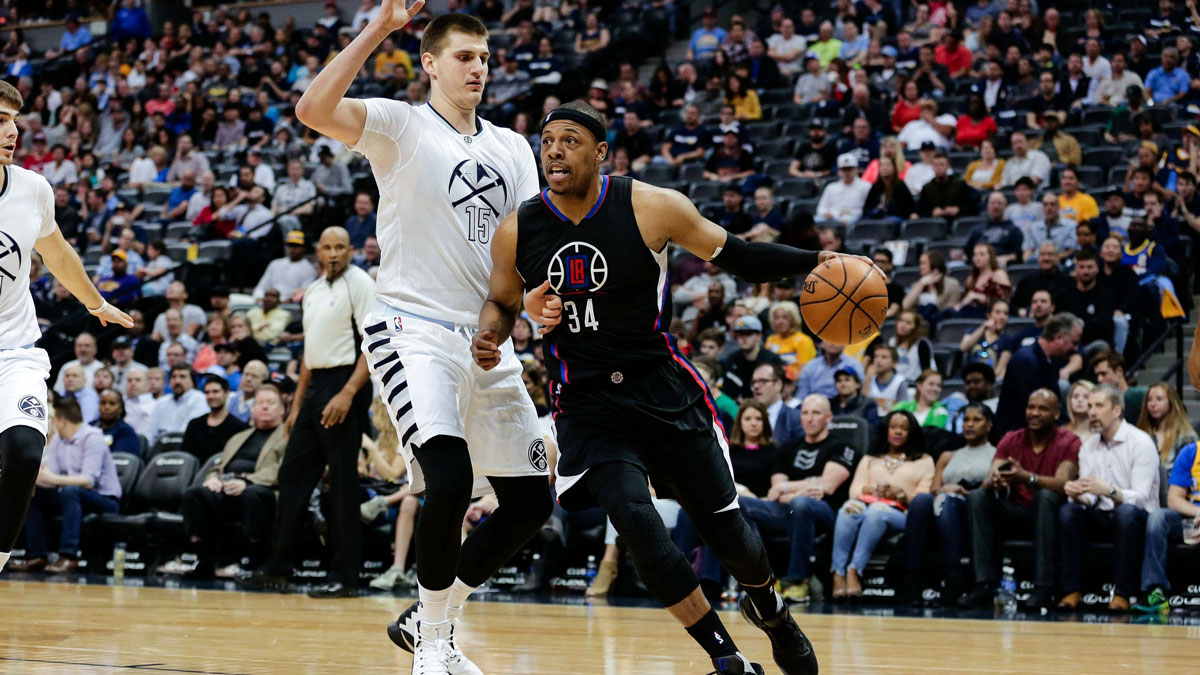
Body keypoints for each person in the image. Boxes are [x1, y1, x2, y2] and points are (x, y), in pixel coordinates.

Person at [477, 101, 857, 675]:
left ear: (601, 152)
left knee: (728, 532)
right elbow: (502, 303)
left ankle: (772, 610)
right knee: (639, 525)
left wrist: (815, 259)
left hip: (663, 389)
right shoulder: (518, 228)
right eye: (547, 140)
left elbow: (742, 255)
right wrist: (490, 334)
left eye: (570, 140)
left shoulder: (653, 205)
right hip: (587, 402)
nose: (554, 150)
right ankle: (726, 657)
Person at [290, 9, 556, 671]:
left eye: (485, 58)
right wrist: (381, 28)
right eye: (463, 56)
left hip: (483, 337)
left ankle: (430, 617)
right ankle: (434, 647)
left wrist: (531, 306)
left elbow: (523, 251)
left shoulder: (512, 148)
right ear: (430, 64)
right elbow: (312, 108)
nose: (478, 69)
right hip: (410, 328)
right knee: (450, 478)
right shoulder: (401, 125)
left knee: (530, 499)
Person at [244, 228, 375, 599]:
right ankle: (280, 567)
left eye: (340, 247)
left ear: (351, 250)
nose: (333, 253)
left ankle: (345, 576)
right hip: (315, 384)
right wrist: (296, 406)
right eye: (327, 247)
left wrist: (349, 392)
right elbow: (308, 352)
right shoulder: (314, 291)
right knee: (292, 475)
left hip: (345, 381)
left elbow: (375, 343)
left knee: (342, 484)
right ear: (318, 252)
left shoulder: (361, 284)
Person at [961, 389, 1079, 611]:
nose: (1034, 413)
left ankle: (1043, 587)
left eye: (1042, 408)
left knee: (1045, 496)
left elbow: (1064, 484)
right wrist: (996, 479)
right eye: (1031, 407)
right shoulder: (1011, 438)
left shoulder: (1069, 441)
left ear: (1056, 414)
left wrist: (1026, 477)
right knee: (978, 496)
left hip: (1050, 516)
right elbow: (990, 477)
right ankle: (984, 583)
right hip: (1016, 511)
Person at [740, 395, 859, 604]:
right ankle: (764, 578)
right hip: (790, 509)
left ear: (829, 417)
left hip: (828, 513)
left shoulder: (842, 446)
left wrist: (789, 489)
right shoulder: (788, 447)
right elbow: (776, 487)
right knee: (741, 504)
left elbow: (829, 485)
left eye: (815, 413)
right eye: (804, 413)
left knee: (801, 504)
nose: (809, 419)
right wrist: (805, 487)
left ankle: (797, 581)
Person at [1057, 385, 1159, 612]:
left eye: (1099, 406)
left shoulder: (1140, 442)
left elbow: (1141, 499)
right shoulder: (1088, 446)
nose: (1091, 412)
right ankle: (1071, 590)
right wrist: (1078, 494)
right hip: (1103, 513)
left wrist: (1109, 491)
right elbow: (1091, 497)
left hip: (1138, 518)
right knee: (1068, 511)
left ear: (1117, 410)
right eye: (1090, 406)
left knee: (1126, 512)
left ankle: (1123, 594)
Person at [180, 385, 287, 580]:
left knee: (252, 494)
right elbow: (218, 466)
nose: (264, 407)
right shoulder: (238, 437)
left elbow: (284, 469)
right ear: (253, 409)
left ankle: (253, 560)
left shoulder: (288, 437)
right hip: (227, 489)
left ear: (282, 409)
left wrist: (248, 481)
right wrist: (213, 479)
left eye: (270, 403)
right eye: (260, 403)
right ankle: (204, 560)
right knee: (195, 494)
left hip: (262, 491)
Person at [9, 398, 121, 574]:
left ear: (61, 420)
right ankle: (36, 555)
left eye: (52, 419)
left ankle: (69, 556)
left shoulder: (93, 438)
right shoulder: (59, 441)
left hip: (104, 499)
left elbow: (87, 481)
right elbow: (49, 476)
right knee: (33, 495)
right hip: (71, 495)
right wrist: (32, 478)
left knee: (71, 491)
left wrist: (51, 477)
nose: (50, 423)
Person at [831, 410, 934, 600]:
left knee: (877, 512)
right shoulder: (870, 459)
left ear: (911, 432)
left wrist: (902, 495)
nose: (898, 432)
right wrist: (871, 490)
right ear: (886, 430)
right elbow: (855, 491)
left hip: (900, 512)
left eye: (904, 428)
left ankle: (854, 570)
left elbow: (924, 498)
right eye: (893, 427)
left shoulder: (924, 460)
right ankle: (838, 573)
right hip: (867, 503)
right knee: (847, 509)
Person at [904, 403, 996, 605]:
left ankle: (953, 577)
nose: (969, 425)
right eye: (966, 420)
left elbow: (991, 491)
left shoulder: (996, 454)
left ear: (989, 425)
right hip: (942, 507)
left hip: (972, 511)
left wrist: (960, 492)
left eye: (976, 420)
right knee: (922, 500)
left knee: (947, 501)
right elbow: (934, 488)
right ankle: (911, 579)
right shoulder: (948, 455)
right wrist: (946, 489)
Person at [363, 399, 422, 592]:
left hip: (405, 493)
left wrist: (371, 449)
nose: (371, 418)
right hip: (382, 491)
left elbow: (392, 475)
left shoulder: (402, 440)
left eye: (375, 412)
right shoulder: (380, 440)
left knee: (409, 498)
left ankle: (397, 568)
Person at [1136, 437, 1200, 612]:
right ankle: (1155, 590)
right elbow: (1174, 499)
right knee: (1158, 517)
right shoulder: (1191, 453)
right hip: (1191, 519)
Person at [994, 313, 1083, 437]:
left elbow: (1054, 406)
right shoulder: (1026, 361)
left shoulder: (1050, 361)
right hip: (1016, 438)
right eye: (1074, 343)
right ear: (1058, 338)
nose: (1076, 348)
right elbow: (1039, 408)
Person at [181, 375, 248, 462]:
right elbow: (185, 456)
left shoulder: (238, 427)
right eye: (207, 392)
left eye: (215, 392)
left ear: (227, 393)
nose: (211, 396)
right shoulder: (194, 424)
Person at [721, 315, 785, 401]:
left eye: (748, 334)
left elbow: (783, 388)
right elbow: (727, 391)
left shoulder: (772, 360)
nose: (744, 338)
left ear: (759, 336)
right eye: (740, 335)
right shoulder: (731, 360)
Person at [1136, 382, 1198, 468]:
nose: (1153, 404)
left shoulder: (1186, 437)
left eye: (1159, 399)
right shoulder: (1140, 434)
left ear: (1171, 402)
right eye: (1149, 399)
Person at [254, 231, 319, 302]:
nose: (293, 249)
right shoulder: (275, 263)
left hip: (289, 306)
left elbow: (304, 294)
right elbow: (261, 287)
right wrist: (259, 298)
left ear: (304, 248)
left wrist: (287, 301)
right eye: (290, 245)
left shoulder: (309, 269)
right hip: (267, 302)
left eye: (296, 246)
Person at [150, 365, 209, 442]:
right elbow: (150, 430)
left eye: (182, 377)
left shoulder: (200, 400)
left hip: (185, 446)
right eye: (174, 377)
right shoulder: (162, 401)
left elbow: (187, 432)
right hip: (160, 447)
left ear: (192, 381)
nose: (177, 381)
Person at [751, 363, 804, 449]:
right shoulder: (745, 417)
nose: (756, 386)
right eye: (754, 382)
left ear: (778, 385)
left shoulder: (795, 418)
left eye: (763, 381)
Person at [1091, 351, 1148, 425]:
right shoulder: (1098, 402)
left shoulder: (1141, 395)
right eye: (1097, 375)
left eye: (1103, 374)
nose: (1099, 379)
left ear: (1119, 371)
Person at [816, 153, 872, 224]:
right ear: (839, 171)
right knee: (816, 220)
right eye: (844, 169)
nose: (847, 172)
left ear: (856, 169)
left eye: (849, 169)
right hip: (832, 217)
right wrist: (827, 213)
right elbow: (821, 208)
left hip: (854, 218)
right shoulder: (831, 187)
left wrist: (851, 213)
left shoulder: (866, 186)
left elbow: (868, 209)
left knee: (846, 220)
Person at [866, 344, 909, 417]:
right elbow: (863, 406)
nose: (878, 361)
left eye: (884, 357)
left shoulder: (900, 382)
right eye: (876, 357)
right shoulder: (869, 378)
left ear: (894, 363)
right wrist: (867, 379)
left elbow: (903, 410)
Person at [94, 389, 140, 457]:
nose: (107, 407)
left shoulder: (126, 432)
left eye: (112, 403)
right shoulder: (90, 427)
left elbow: (119, 461)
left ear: (120, 408)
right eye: (103, 403)